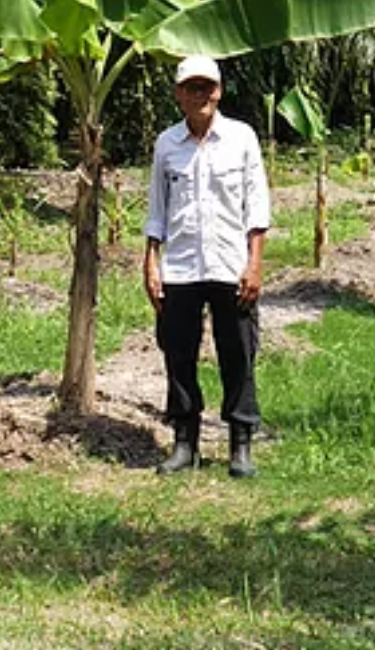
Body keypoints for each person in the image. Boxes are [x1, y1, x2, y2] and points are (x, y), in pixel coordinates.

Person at [143, 55, 271, 478]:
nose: (200, 94)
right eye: (191, 87)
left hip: (230, 265)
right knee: (178, 353)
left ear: (219, 91)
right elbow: (157, 211)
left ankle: (241, 442)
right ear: (178, 94)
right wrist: (151, 261)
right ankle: (185, 441)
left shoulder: (241, 138)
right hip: (181, 267)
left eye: (207, 87)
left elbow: (257, 208)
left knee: (238, 352)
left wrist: (255, 264)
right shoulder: (167, 144)